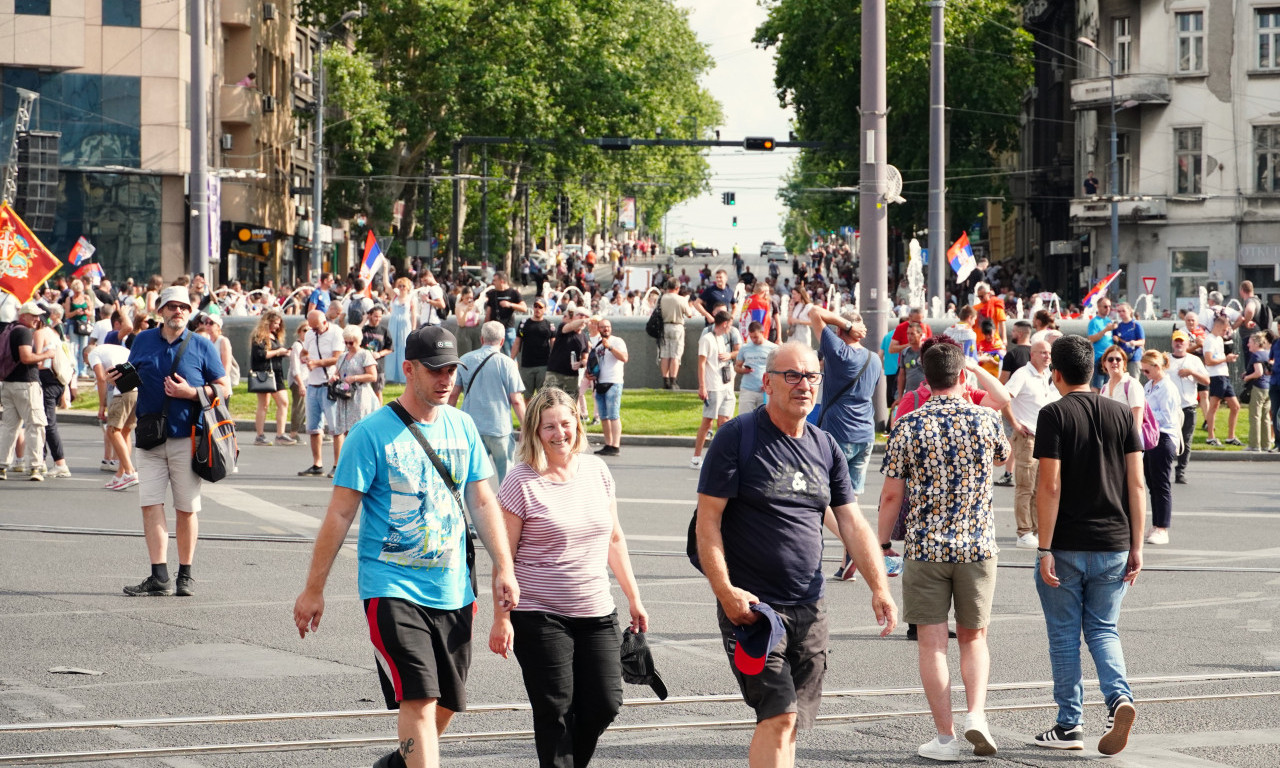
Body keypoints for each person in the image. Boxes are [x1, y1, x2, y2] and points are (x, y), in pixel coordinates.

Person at [293, 325, 519, 768]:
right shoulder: (370, 434)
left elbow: (484, 500)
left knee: (449, 703)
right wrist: (313, 588)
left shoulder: (463, 426)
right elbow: (339, 515)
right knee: (418, 698)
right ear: (408, 369)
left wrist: (504, 568)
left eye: (452, 369)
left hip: (454, 587)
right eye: (436, 370)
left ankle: (397, 764)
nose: (446, 379)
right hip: (391, 587)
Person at [695, 341, 896, 768]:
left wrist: (879, 587)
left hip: (810, 608)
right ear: (767, 382)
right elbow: (707, 522)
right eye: (792, 375)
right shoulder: (738, 437)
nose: (803, 384)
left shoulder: (825, 445)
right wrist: (725, 590)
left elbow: (851, 521)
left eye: (812, 376)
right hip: (754, 610)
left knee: (792, 723)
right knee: (778, 713)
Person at [488, 387, 647, 767]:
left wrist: (634, 597)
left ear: (578, 422)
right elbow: (502, 557)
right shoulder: (521, 481)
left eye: (566, 423)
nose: (560, 433)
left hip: (596, 611)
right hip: (539, 613)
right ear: (534, 432)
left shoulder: (596, 470)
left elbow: (615, 538)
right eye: (549, 427)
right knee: (555, 709)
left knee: (605, 703)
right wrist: (501, 617)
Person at [877, 341, 1009, 761]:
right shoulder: (986, 421)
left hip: (925, 547)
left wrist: (882, 544)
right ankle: (977, 716)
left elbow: (891, 496)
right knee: (974, 639)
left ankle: (946, 738)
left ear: (924, 379)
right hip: (977, 545)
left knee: (932, 644)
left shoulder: (909, 425)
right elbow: (1004, 460)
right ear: (962, 376)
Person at [1031, 334, 1144, 756]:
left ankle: (1068, 725)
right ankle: (1119, 698)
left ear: (1055, 373)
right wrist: (1138, 544)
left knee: (1064, 636)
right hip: (1115, 541)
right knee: (1103, 629)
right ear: (1094, 368)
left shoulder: (1053, 414)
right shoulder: (1120, 414)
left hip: (1065, 545)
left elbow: (1050, 483)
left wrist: (1044, 548)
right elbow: (1137, 483)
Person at [119, 286, 228, 597]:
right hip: (149, 438)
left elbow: (225, 388)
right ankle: (159, 575)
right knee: (150, 505)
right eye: (171, 306)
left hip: (186, 438)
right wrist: (121, 380)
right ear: (161, 311)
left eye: (183, 306)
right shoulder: (143, 340)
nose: (177, 311)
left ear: (189, 312)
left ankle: (185, 575)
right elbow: (133, 379)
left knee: (186, 508)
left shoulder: (201, 345)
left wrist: (191, 393)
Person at [808, 305, 881, 579]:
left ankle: (853, 544)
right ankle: (846, 564)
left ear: (840, 331)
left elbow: (815, 312)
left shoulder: (837, 352)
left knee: (821, 498)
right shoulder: (873, 358)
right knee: (851, 502)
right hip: (865, 435)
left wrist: (844, 324)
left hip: (838, 434)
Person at [450, 321, 527, 484]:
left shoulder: (465, 360)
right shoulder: (507, 363)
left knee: (473, 478)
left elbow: (453, 395)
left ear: (481, 339)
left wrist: (445, 421)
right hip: (499, 427)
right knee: (506, 478)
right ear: (502, 341)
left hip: (472, 427)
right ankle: (503, 509)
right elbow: (517, 400)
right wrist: (526, 427)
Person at [1002, 340, 1058, 549]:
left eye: (1049, 353)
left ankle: (1034, 529)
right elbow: (1003, 398)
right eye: (1042, 353)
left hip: (1043, 438)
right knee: (1025, 487)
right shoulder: (1022, 375)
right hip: (1027, 438)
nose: (1047, 356)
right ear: (1032, 355)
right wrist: (1015, 424)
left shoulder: (1045, 377)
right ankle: (1023, 531)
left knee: (1039, 488)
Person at [1, 302, 55, 481]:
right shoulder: (23, 332)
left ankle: (2, 465)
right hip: (26, 384)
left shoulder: (8, 330)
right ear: (23, 316)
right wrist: (46, 355)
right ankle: (35, 466)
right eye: (33, 316)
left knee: (10, 427)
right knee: (35, 425)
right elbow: (26, 357)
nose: (37, 319)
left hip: (8, 384)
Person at [1139, 350, 1181, 545]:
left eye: (1146, 370)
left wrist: (1146, 416)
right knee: (1152, 483)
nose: (1144, 374)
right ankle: (1156, 525)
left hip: (1163, 436)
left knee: (1161, 484)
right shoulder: (1149, 385)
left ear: (1157, 367)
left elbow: (1168, 416)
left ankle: (1162, 527)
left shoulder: (1168, 388)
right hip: (1149, 436)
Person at [298, 309, 345, 477]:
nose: (314, 331)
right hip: (313, 384)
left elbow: (337, 358)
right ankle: (317, 464)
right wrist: (304, 358)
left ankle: (337, 464)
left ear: (325, 322)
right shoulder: (310, 334)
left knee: (335, 428)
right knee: (313, 427)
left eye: (316, 327)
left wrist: (316, 363)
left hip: (329, 384)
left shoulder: (336, 333)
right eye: (311, 328)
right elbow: (304, 351)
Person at [327, 324, 379, 465]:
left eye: (352, 342)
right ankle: (344, 463)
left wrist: (355, 378)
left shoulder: (364, 354)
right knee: (344, 431)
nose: (349, 345)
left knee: (358, 431)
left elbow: (373, 376)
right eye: (346, 342)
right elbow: (338, 372)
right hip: (345, 396)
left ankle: (360, 462)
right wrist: (334, 377)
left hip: (360, 396)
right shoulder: (343, 356)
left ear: (359, 340)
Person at [91, 331, 137, 489]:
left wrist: (102, 405)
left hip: (122, 391)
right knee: (125, 432)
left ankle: (130, 472)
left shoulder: (93, 353)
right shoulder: (118, 350)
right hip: (137, 389)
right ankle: (121, 474)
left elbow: (101, 378)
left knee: (112, 430)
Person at [691, 311, 735, 469]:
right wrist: (702, 386)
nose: (730, 327)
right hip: (713, 386)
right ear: (724, 323)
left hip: (725, 385)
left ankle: (720, 457)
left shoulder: (721, 339)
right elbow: (701, 363)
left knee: (724, 422)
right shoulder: (707, 339)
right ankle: (696, 457)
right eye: (729, 324)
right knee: (707, 421)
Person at [33, 310, 72, 477]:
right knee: (44, 422)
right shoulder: (54, 332)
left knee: (47, 423)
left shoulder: (40, 333)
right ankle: (41, 460)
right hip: (59, 381)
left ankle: (59, 463)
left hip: (47, 381)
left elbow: (40, 360)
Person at [1167, 330, 1209, 482]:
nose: (1179, 344)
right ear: (1172, 343)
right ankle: (1165, 469)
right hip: (1170, 407)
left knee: (1186, 440)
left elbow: (1206, 380)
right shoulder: (1166, 359)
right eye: (1176, 341)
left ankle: (1181, 471)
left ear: (1187, 344)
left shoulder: (1194, 361)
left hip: (1188, 406)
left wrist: (1191, 372)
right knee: (1168, 439)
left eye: (1182, 341)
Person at [250, 310, 294, 446]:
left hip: (276, 373)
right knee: (264, 404)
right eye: (275, 323)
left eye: (278, 324)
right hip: (264, 373)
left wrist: (284, 352)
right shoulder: (259, 336)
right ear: (267, 322)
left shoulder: (274, 336)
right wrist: (278, 352)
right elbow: (260, 354)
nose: (277, 326)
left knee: (283, 402)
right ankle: (260, 435)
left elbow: (273, 353)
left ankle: (280, 434)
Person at [589, 318, 627, 456]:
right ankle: (608, 444)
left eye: (608, 327)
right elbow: (594, 363)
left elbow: (624, 358)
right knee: (604, 416)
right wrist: (589, 374)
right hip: (600, 382)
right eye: (603, 327)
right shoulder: (597, 344)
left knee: (613, 415)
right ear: (599, 329)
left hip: (614, 381)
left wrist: (609, 347)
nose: (606, 329)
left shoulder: (617, 341)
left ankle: (616, 445)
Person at [1202, 314, 1242, 446]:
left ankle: (1231, 437)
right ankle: (1210, 437)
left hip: (1224, 374)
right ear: (1217, 326)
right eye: (1224, 330)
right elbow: (1208, 361)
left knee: (1235, 406)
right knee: (1214, 405)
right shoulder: (1209, 340)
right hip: (1215, 375)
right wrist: (1226, 359)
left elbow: (1217, 357)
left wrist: (1227, 358)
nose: (1226, 332)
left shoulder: (1219, 339)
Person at [544, 307, 589, 400]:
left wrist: (580, 363)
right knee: (550, 400)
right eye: (580, 315)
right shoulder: (564, 327)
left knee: (571, 402)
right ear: (573, 318)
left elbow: (585, 358)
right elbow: (570, 327)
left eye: (585, 316)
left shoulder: (584, 337)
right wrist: (585, 319)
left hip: (572, 376)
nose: (583, 319)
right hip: (555, 372)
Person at [658, 278, 694, 389]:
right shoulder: (681, 299)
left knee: (664, 354)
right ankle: (673, 381)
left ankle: (665, 380)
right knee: (675, 355)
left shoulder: (662, 298)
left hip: (664, 326)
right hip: (677, 327)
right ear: (677, 288)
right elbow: (689, 314)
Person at [514, 298, 554, 397]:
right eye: (535, 306)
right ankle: (528, 413)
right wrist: (512, 359)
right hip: (527, 364)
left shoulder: (549, 324)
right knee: (527, 395)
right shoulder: (524, 323)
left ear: (545, 309)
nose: (537, 309)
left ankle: (541, 413)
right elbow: (517, 342)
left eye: (540, 307)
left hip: (543, 364)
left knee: (543, 395)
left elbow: (554, 343)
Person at [1099, 346, 1144, 433]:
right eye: (1110, 359)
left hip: (1127, 441)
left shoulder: (1132, 385)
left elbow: (1137, 422)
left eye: (1118, 359)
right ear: (1104, 363)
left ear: (1124, 363)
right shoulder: (1104, 388)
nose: (1114, 362)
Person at [735, 322, 776, 415]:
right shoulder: (745, 348)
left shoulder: (773, 348)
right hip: (748, 388)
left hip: (765, 390)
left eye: (756, 337)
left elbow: (778, 370)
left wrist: (770, 384)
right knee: (744, 418)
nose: (753, 340)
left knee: (765, 418)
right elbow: (737, 367)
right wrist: (743, 370)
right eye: (751, 337)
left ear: (762, 333)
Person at [1242, 332, 1272, 452]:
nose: (1248, 345)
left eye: (1250, 342)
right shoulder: (1267, 354)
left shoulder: (1256, 355)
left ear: (1255, 343)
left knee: (1255, 416)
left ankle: (1254, 445)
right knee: (1265, 417)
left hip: (1258, 387)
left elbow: (1258, 372)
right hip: (1268, 387)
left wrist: (1247, 378)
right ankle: (1266, 444)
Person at [485, 273, 526, 355]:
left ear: (502, 281)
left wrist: (510, 305)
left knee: (511, 356)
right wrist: (485, 328)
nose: (493, 283)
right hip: (494, 330)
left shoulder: (513, 293)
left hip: (508, 329)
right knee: (493, 355)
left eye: (495, 280)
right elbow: (488, 312)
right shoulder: (493, 294)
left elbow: (524, 308)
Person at [386, 277, 416, 385]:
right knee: (392, 347)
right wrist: (385, 269)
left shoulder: (411, 299)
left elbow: (413, 316)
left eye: (404, 286)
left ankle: (404, 377)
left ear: (408, 287)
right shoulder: (394, 297)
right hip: (394, 324)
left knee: (404, 348)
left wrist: (413, 330)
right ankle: (391, 376)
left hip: (404, 325)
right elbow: (386, 284)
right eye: (400, 286)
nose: (402, 288)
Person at [360, 305, 393, 400]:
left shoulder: (384, 331)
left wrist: (379, 354)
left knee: (378, 391)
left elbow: (390, 348)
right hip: (364, 364)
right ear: (369, 316)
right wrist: (363, 321)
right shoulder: (363, 330)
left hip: (378, 366)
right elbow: (355, 336)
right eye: (375, 316)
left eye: (380, 316)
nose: (378, 319)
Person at [1085, 298, 1118, 391]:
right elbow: (1091, 338)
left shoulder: (1109, 321)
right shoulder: (1094, 322)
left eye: (1109, 306)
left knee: (1109, 385)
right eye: (1105, 306)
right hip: (1099, 358)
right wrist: (1105, 330)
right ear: (1098, 307)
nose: (1108, 308)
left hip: (1110, 357)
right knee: (1097, 385)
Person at [1110, 303, 1145, 378]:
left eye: (1123, 311)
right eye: (1119, 311)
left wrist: (1134, 343)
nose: (1121, 313)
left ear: (1129, 311)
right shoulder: (1118, 326)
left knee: (1134, 379)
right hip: (1122, 357)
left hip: (1134, 357)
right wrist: (1115, 338)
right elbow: (1115, 340)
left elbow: (1142, 341)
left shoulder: (1136, 325)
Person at [288, 322, 308, 443]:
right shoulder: (297, 346)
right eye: (305, 330)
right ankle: (293, 433)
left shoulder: (310, 345)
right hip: (298, 381)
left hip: (309, 380)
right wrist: (300, 384)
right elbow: (295, 367)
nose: (307, 333)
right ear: (299, 332)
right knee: (299, 407)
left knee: (306, 408)